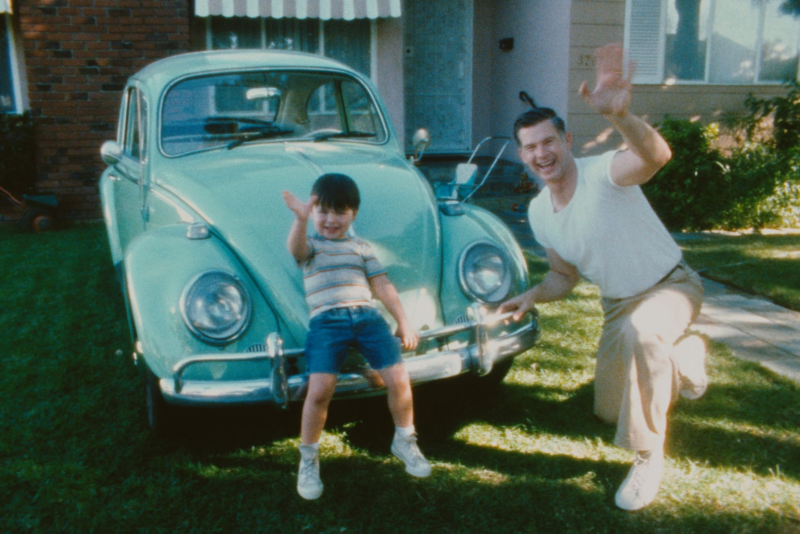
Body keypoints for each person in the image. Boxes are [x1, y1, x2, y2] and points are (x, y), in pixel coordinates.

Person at [498, 44, 707, 511]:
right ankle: (683, 359)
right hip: (617, 304)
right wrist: (531, 295)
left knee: (644, 333)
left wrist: (621, 116)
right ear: (522, 155)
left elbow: (655, 156)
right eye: (530, 148)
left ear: (567, 142)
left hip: (670, 284)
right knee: (610, 410)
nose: (541, 153)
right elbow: (562, 276)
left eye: (548, 142)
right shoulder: (539, 212)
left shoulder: (604, 173)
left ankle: (648, 455)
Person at [282, 173, 431, 501]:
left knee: (399, 378)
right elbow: (295, 248)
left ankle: (404, 440)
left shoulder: (361, 247)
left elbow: (383, 286)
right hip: (327, 322)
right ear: (314, 210)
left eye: (340, 212)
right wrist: (301, 220)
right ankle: (308, 458)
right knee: (319, 390)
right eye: (323, 211)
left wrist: (403, 321)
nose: (330, 220)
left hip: (367, 317)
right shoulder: (311, 246)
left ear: (354, 214)